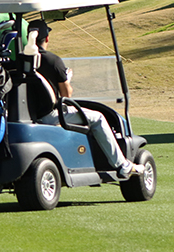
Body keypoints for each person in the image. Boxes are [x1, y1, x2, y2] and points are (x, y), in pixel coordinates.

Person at [27, 19, 145, 178]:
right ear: (47, 38)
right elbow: (66, 95)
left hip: (27, 115)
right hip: (50, 115)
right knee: (98, 118)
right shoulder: (53, 61)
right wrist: (67, 78)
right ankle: (122, 164)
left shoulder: (20, 61)